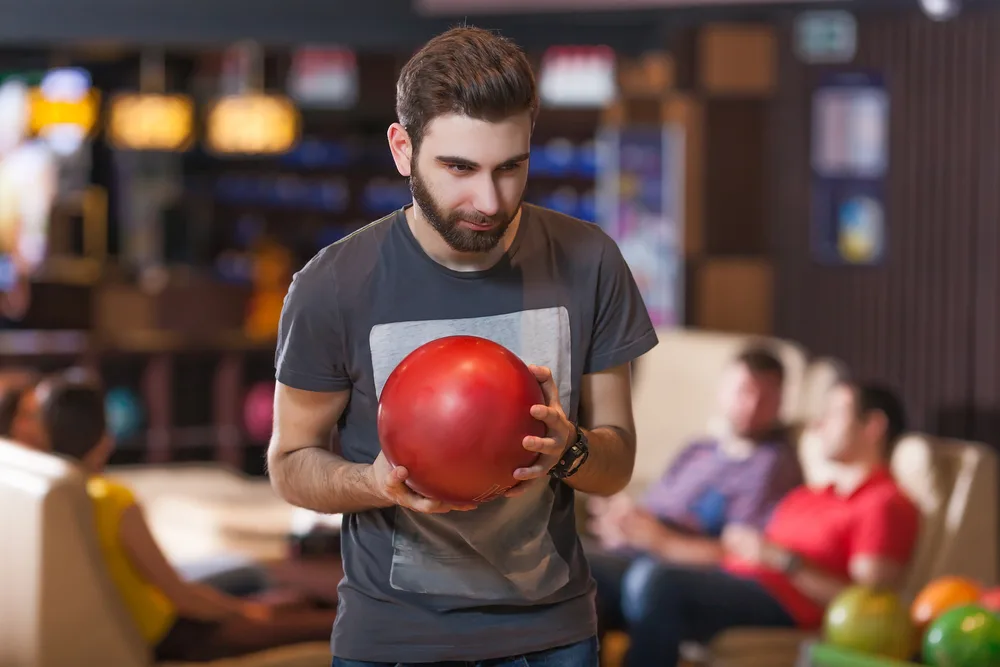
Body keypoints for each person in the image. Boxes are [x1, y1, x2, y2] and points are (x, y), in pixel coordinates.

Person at [267, 25, 658, 667]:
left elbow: (615, 466)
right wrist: (373, 481)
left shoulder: (590, 261)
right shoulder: (332, 284)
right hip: (393, 639)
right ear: (403, 148)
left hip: (553, 637)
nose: (490, 200)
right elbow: (290, 463)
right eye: (459, 168)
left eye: (511, 168)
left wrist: (571, 449)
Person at [606, 380, 921, 667]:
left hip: (783, 604)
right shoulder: (808, 494)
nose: (818, 424)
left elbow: (868, 606)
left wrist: (785, 560)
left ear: (873, 426)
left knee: (655, 581)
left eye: (834, 413)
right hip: (730, 578)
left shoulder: (883, 502)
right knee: (598, 572)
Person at [38, 373, 339, 662]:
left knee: (289, 604)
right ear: (105, 438)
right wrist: (245, 612)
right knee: (316, 624)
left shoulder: (59, 497)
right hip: (171, 633)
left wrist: (246, 609)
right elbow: (180, 595)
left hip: (157, 622)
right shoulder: (113, 499)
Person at [587, 346, 802, 571]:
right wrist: (622, 520)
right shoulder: (698, 448)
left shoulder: (772, 464)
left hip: (674, 570)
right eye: (743, 391)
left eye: (766, 397)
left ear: (780, 402)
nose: (752, 406)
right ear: (724, 391)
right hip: (631, 550)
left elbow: (741, 551)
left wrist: (662, 542)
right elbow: (653, 506)